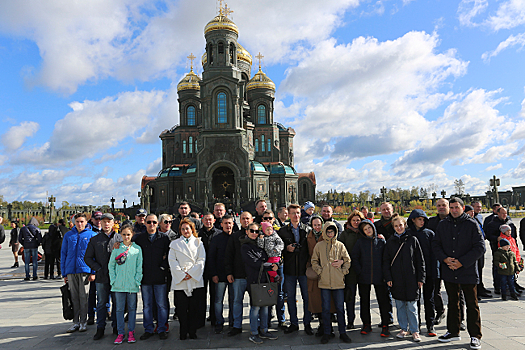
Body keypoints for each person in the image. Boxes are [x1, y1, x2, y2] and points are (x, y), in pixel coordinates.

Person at [433, 197, 484, 350]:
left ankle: (475, 336)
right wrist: (445, 259)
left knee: (471, 304)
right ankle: (453, 331)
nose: (454, 210)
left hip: (467, 270)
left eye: (457, 207)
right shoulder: (443, 225)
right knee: (453, 302)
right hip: (449, 270)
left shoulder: (471, 224)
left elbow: (480, 247)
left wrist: (462, 262)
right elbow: (436, 245)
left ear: (462, 208)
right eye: (452, 207)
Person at [383, 214, 425, 343]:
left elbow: (420, 260)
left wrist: (421, 278)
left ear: (405, 225)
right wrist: (388, 277)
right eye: (396, 226)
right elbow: (386, 261)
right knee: (400, 305)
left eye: (400, 225)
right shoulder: (390, 241)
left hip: (411, 277)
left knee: (412, 306)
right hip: (397, 278)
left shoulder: (412, 239)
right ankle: (403, 328)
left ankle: (414, 330)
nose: (398, 228)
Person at [311, 222, 351, 344]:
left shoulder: (340, 245)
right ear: (324, 232)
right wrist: (320, 271)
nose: (330, 234)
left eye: (332, 232)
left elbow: (347, 260)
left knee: (339, 308)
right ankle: (327, 332)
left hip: (338, 282)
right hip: (324, 283)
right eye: (328, 232)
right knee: (326, 309)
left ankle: (342, 332)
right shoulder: (319, 245)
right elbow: (314, 261)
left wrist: (343, 271)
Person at [84, 213, 123, 340]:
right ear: (100, 223)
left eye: (109, 221)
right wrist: (98, 269)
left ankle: (117, 327)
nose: (106, 224)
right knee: (101, 303)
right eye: (104, 221)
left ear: (113, 223)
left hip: (116, 277)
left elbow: (126, 255)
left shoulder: (120, 238)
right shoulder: (95, 239)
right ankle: (100, 328)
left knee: (117, 303)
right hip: (101, 277)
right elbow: (88, 257)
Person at [241, 222, 279, 344]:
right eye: (252, 231)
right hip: (253, 280)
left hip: (264, 279)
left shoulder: (260, 245)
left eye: (257, 231)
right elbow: (254, 262)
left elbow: (268, 257)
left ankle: (264, 330)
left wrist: (275, 264)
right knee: (256, 307)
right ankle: (254, 332)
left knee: (266, 306)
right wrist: (269, 266)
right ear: (247, 232)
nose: (254, 233)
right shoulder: (245, 246)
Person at [351, 219, 390, 337]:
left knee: (383, 301)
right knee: (364, 301)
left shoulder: (381, 242)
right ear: (363, 231)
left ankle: (385, 324)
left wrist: (385, 274)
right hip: (364, 277)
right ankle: (366, 324)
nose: (368, 230)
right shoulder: (360, 242)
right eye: (365, 229)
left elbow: (386, 259)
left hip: (380, 277)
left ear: (373, 228)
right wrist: (360, 271)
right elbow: (355, 258)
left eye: (370, 228)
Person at [134, 214, 170, 340]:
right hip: (146, 277)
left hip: (160, 276)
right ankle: (148, 329)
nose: (152, 224)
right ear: (145, 223)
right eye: (149, 222)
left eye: (154, 222)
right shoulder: (139, 239)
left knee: (161, 305)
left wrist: (163, 267)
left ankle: (161, 328)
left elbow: (169, 255)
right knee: (147, 305)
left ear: (158, 223)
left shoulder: (164, 238)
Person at [279, 204, 313, 335]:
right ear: (288, 214)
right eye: (293, 213)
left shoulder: (307, 230)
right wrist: (286, 249)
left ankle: (307, 323)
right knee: (291, 298)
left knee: (307, 297)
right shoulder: (283, 231)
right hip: (290, 269)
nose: (296, 215)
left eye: (298, 213)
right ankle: (293, 323)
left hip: (304, 270)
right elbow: (277, 250)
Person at [169, 219, 206, 340]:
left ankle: (193, 330)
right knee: (181, 308)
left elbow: (201, 260)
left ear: (192, 230)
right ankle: (183, 331)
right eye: (183, 229)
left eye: (188, 228)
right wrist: (181, 274)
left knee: (194, 308)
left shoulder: (198, 243)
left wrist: (191, 273)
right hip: (181, 280)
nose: (185, 231)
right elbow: (172, 261)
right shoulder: (174, 244)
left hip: (194, 279)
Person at [61, 213, 97, 333]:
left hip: (84, 270)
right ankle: (75, 322)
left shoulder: (92, 235)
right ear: (74, 222)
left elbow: (95, 256)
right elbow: (64, 254)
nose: (80, 224)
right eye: (77, 222)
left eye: (82, 221)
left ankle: (83, 321)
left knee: (84, 297)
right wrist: (64, 273)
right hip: (71, 270)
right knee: (74, 297)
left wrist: (93, 272)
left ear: (86, 222)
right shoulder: (68, 235)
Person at [108, 224, 143, 344]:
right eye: (124, 234)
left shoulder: (137, 249)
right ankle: (120, 332)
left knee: (132, 309)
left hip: (132, 285)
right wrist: (113, 280)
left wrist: (137, 280)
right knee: (119, 309)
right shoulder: (117, 248)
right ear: (120, 235)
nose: (126, 237)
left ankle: (131, 331)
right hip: (118, 285)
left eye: (128, 234)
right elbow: (111, 265)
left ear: (132, 234)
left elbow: (139, 266)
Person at [407, 209, 438, 336]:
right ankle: (416, 325)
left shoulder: (429, 234)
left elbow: (434, 254)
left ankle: (430, 325)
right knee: (415, 299)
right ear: (413, 220)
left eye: (423, 219)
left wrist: (436, 272)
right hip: (413, 272)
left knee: (429, 298)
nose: (422, 222)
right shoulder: (408, 234)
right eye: (419, 219)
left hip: (429, 271)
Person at [224, 211, 252, 336]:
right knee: (237, 301)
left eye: (248, 219)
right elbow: (228, 256)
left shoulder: (257, 235)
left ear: (251, 220)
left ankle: (255, 325)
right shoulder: (235, 237)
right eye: (243, 219)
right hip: (239, 275)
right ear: (239, 220)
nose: (245, 221)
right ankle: (236, 325)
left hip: (253, 276)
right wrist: (229, 272)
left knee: (256, 302)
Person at [338, 210, 365, 329]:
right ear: (350, 221)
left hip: (364, 269)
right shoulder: (345, 234)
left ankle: (366, 322)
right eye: (353, 220)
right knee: (350, 297)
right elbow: (340, 250)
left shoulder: (364, 232)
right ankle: (350, 320)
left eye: (358, 220)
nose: (356, 222)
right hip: (350, 270)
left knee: (364, 297)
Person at [306, 215, 333, 336]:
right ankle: (321, 324)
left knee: (328, 300)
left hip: (327, 271)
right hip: (314, 271)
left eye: (319, 225)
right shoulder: (308, 236)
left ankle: (328, 327)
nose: (317, 227)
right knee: (316, 300)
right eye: (314, 225)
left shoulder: (327, 235)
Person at [209, 215, 235, 334]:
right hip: (219, 274)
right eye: (225, 223)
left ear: (233, 224)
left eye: (229, 223)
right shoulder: (216, 238)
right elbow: (211, 257)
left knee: (233, 300)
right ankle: (219, 321)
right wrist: (214, 273)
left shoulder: (236, 237)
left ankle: (232, 321)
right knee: (218, 300)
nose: (228, 225)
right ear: (221, 224)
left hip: (233, 275)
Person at [485, 206, 517, 295]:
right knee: (498, 268)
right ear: (497, 213)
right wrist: (497, 238)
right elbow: (488, 235)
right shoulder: (492, 223)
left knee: (511, 266)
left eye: (506, 213)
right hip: (498, 251)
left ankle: (512, 286)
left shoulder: (509, 222)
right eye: (502, 213)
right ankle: (498, 287)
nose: (504, 215)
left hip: (510, 250)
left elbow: (514, 236)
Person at [427, 198, 448, 324]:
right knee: (436, 290)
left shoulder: (453, 220)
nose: (441, 207)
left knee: (457, 292)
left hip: (453, 260)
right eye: (439, 205)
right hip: (436, 260)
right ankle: (439, 311)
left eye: (443, 205)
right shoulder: (431, 222)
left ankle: (460, 318)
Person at [198, 212, 220, 327]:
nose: (208, 222)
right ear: (202, 220)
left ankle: (214, 318)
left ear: (214, 220)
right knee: (201, 296)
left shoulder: (219, 234)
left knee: (214, 295)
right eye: (206, 219)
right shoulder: (197, 235)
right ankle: (200, 320)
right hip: (201, 270)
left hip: (214, 269)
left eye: (210, 219)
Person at [471, 202, 492, 298]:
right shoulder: (469, 219)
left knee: (481, 267)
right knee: (476, 270)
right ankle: (476, 291)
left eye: (480, 206)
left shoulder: (479, 217)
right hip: (473, 248)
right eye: (477, 207)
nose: (479, 208)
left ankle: (481, 287)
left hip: (481, 246)